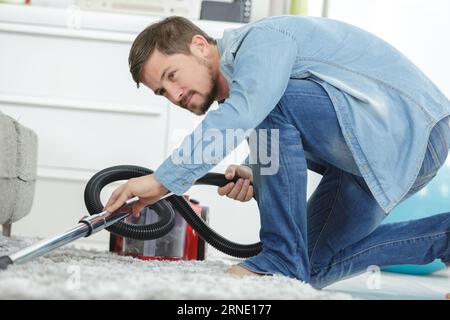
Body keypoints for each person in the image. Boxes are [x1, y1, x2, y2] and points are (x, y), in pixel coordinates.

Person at [104, 15, 450, 289]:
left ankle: (280, 255)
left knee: (272, 105)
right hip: (368, 157)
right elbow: (268, 120)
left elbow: (250, 109)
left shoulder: (263, 40)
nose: (175, 94)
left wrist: (162, 181)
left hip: (413, 129)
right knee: (304, 269)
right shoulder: (247, 96)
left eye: (172, 75)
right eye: (162, 91)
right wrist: (256, 167)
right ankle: (444, 239)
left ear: (199, 46)